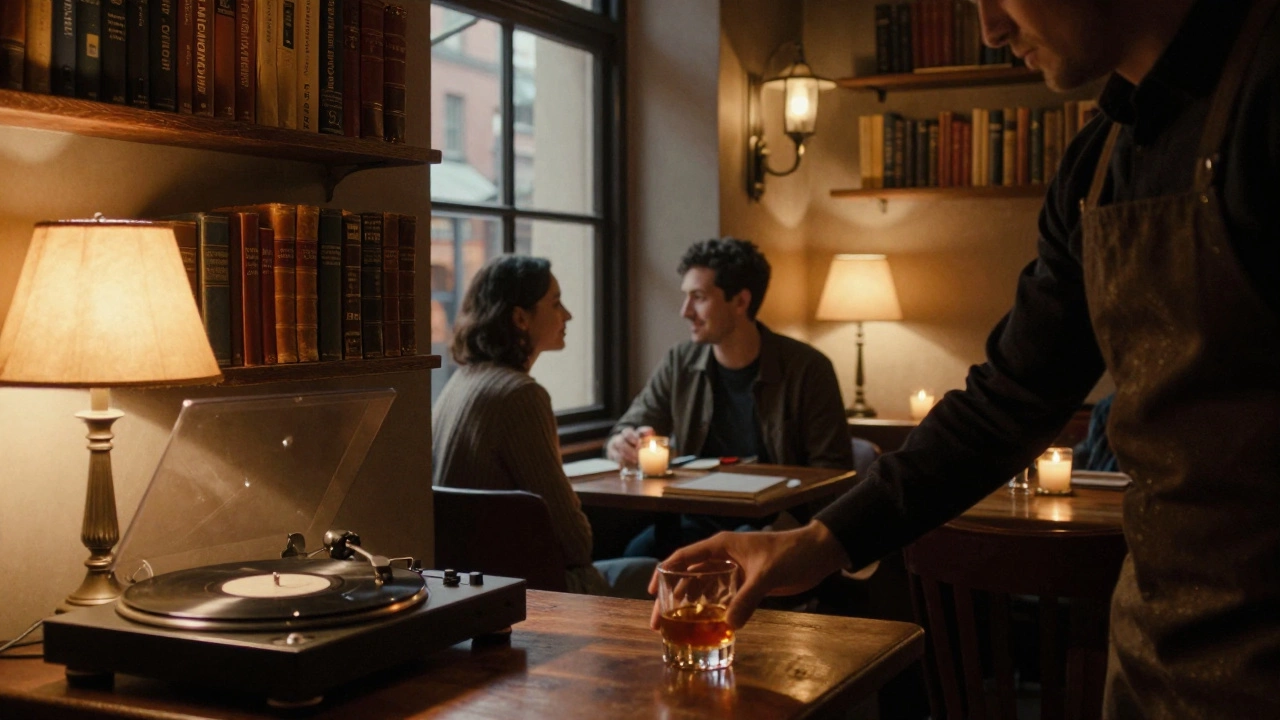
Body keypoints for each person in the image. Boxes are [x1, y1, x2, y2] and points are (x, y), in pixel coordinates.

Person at [651, 0, 1280, 716]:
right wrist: (820, 540)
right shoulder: (1098, 161)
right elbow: (1005, 403)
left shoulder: (1266, 85)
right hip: (1151, 644)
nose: (990, 29)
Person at [606, 238, 853, 556]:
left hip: (774, 527)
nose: (685, 311)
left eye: (698, 297)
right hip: (692, 520)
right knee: (635, 558)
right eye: (686, 297)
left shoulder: (807, 368)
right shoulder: (680, 362)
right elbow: (630, 426)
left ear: (740, 302)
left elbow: (832, 473)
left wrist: (791, 536)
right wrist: (623, 443)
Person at [433, 255, 656, 599]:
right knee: (661, 574)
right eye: (555, 303)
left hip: (460, 585)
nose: (567, 315)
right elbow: (576, 543)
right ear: (520, 318)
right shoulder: (521, 395)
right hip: (524, 590)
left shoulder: (460, 382)